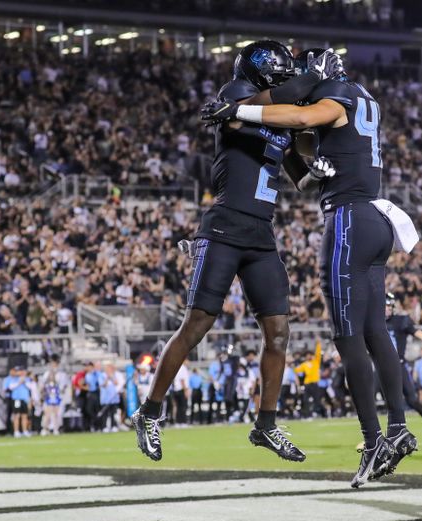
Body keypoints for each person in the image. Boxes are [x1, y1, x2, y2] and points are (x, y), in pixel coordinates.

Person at [202, 48, 420, 488]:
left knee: (349, 336)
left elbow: (303, 120)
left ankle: (374, 439)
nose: (296, 83)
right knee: (377, 330)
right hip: (375, 216)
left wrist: (239, 108)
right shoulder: (363, 97)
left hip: (348, 220)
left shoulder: (335, 94)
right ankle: (398, 427)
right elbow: (307, 134)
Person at [133, 41, 343, 463]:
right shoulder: (235, 95)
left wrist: (317, 163)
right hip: (225, 226)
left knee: (279, 333)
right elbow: (273, 99)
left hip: (261, 235)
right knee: (196, 325)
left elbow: (301, 177)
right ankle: (149, 412)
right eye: (279, 72)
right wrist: (314, 75)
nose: (285, 79)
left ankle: (265, 425)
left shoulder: (275, 116)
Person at [384, 292, 422, 443]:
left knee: (412, 400)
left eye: (386, 306)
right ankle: (373, 437)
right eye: (382, 306)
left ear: (392, 307)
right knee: (371, 397)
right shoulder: (373, 322)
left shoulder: (401, 321)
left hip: (398, 366)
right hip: (380, 367)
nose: (384, 310)